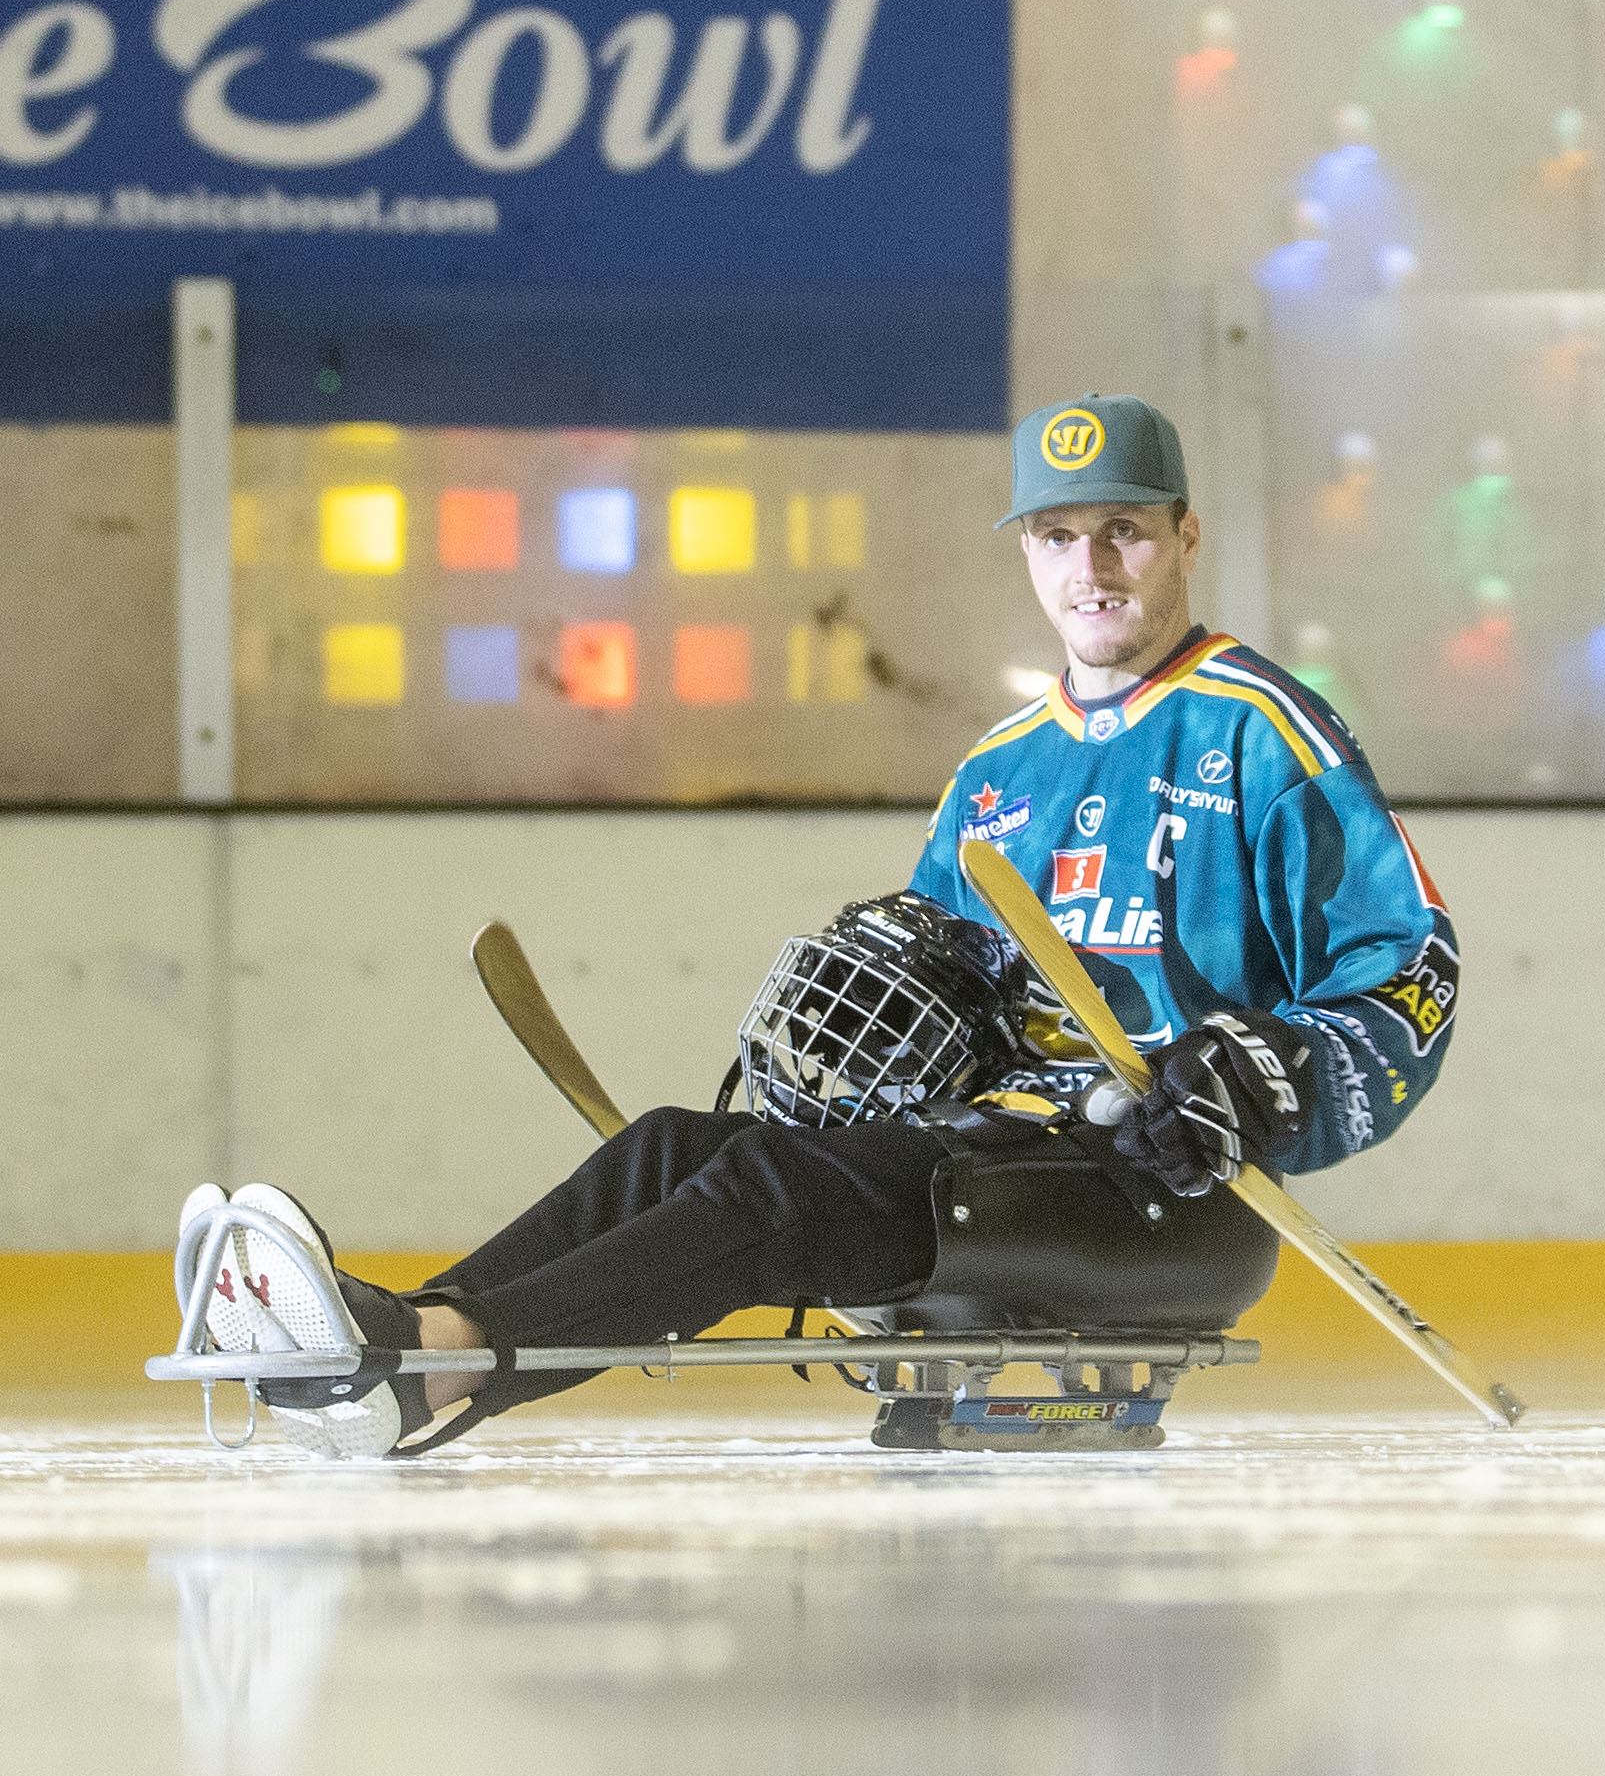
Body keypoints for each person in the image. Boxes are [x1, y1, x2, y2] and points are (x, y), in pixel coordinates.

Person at [179, 393, 1462, 1458]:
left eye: (1123, 531)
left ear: (1184, 536)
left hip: (1154, 1193)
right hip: (992, 1160)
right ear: (1026, 553)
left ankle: (430, 1370)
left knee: (769, 1186)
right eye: (1060, 538)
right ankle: (414, 1339)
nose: (1093, 568)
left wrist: (1274, 1071)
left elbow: (1409, 968)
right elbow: (949, 979)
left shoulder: (1261, 729)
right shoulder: (999, 771)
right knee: (682, 1144)